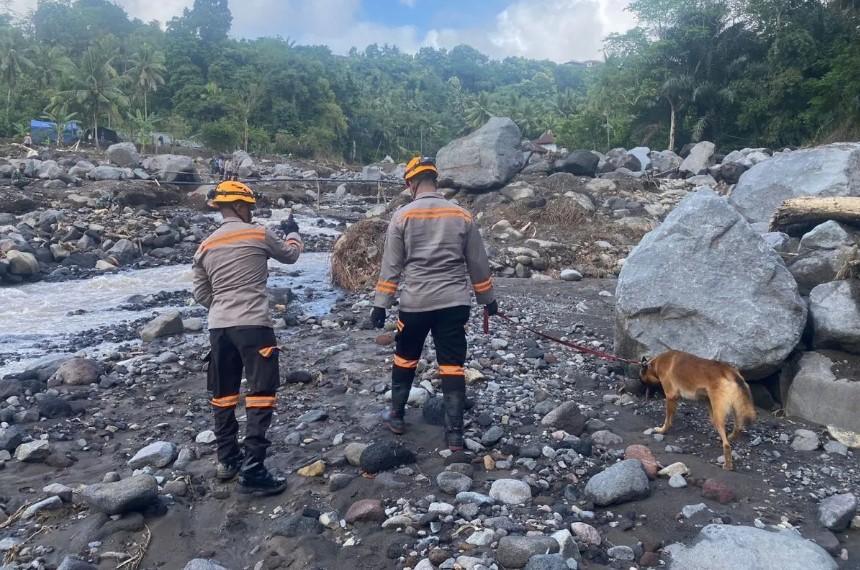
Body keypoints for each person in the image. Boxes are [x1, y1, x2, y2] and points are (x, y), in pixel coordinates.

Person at [371, 156, 498, 451]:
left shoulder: (402, 217)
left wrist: (380, 304)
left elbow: (391, 267)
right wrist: (488, 301)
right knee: (452, 364)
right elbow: (478, 264)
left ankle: (397, 416)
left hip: (415, 303)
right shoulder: (462, 216)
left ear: (411, 183)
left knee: (405, 358)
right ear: (435, 180)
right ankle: (454, 434)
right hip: (454, 303)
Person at [192, 180, 303, 495]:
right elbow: (291, 255)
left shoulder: (205, 246)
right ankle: (254, 469)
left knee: (223, 394)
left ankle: (227, 461)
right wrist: (293, 230)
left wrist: (223, 307)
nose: (252, 212)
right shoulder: (257, 234)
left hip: (219, 327)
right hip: (254, 325)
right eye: (250, 207)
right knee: (260, 392)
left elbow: (201, 292)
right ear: (240, 207)